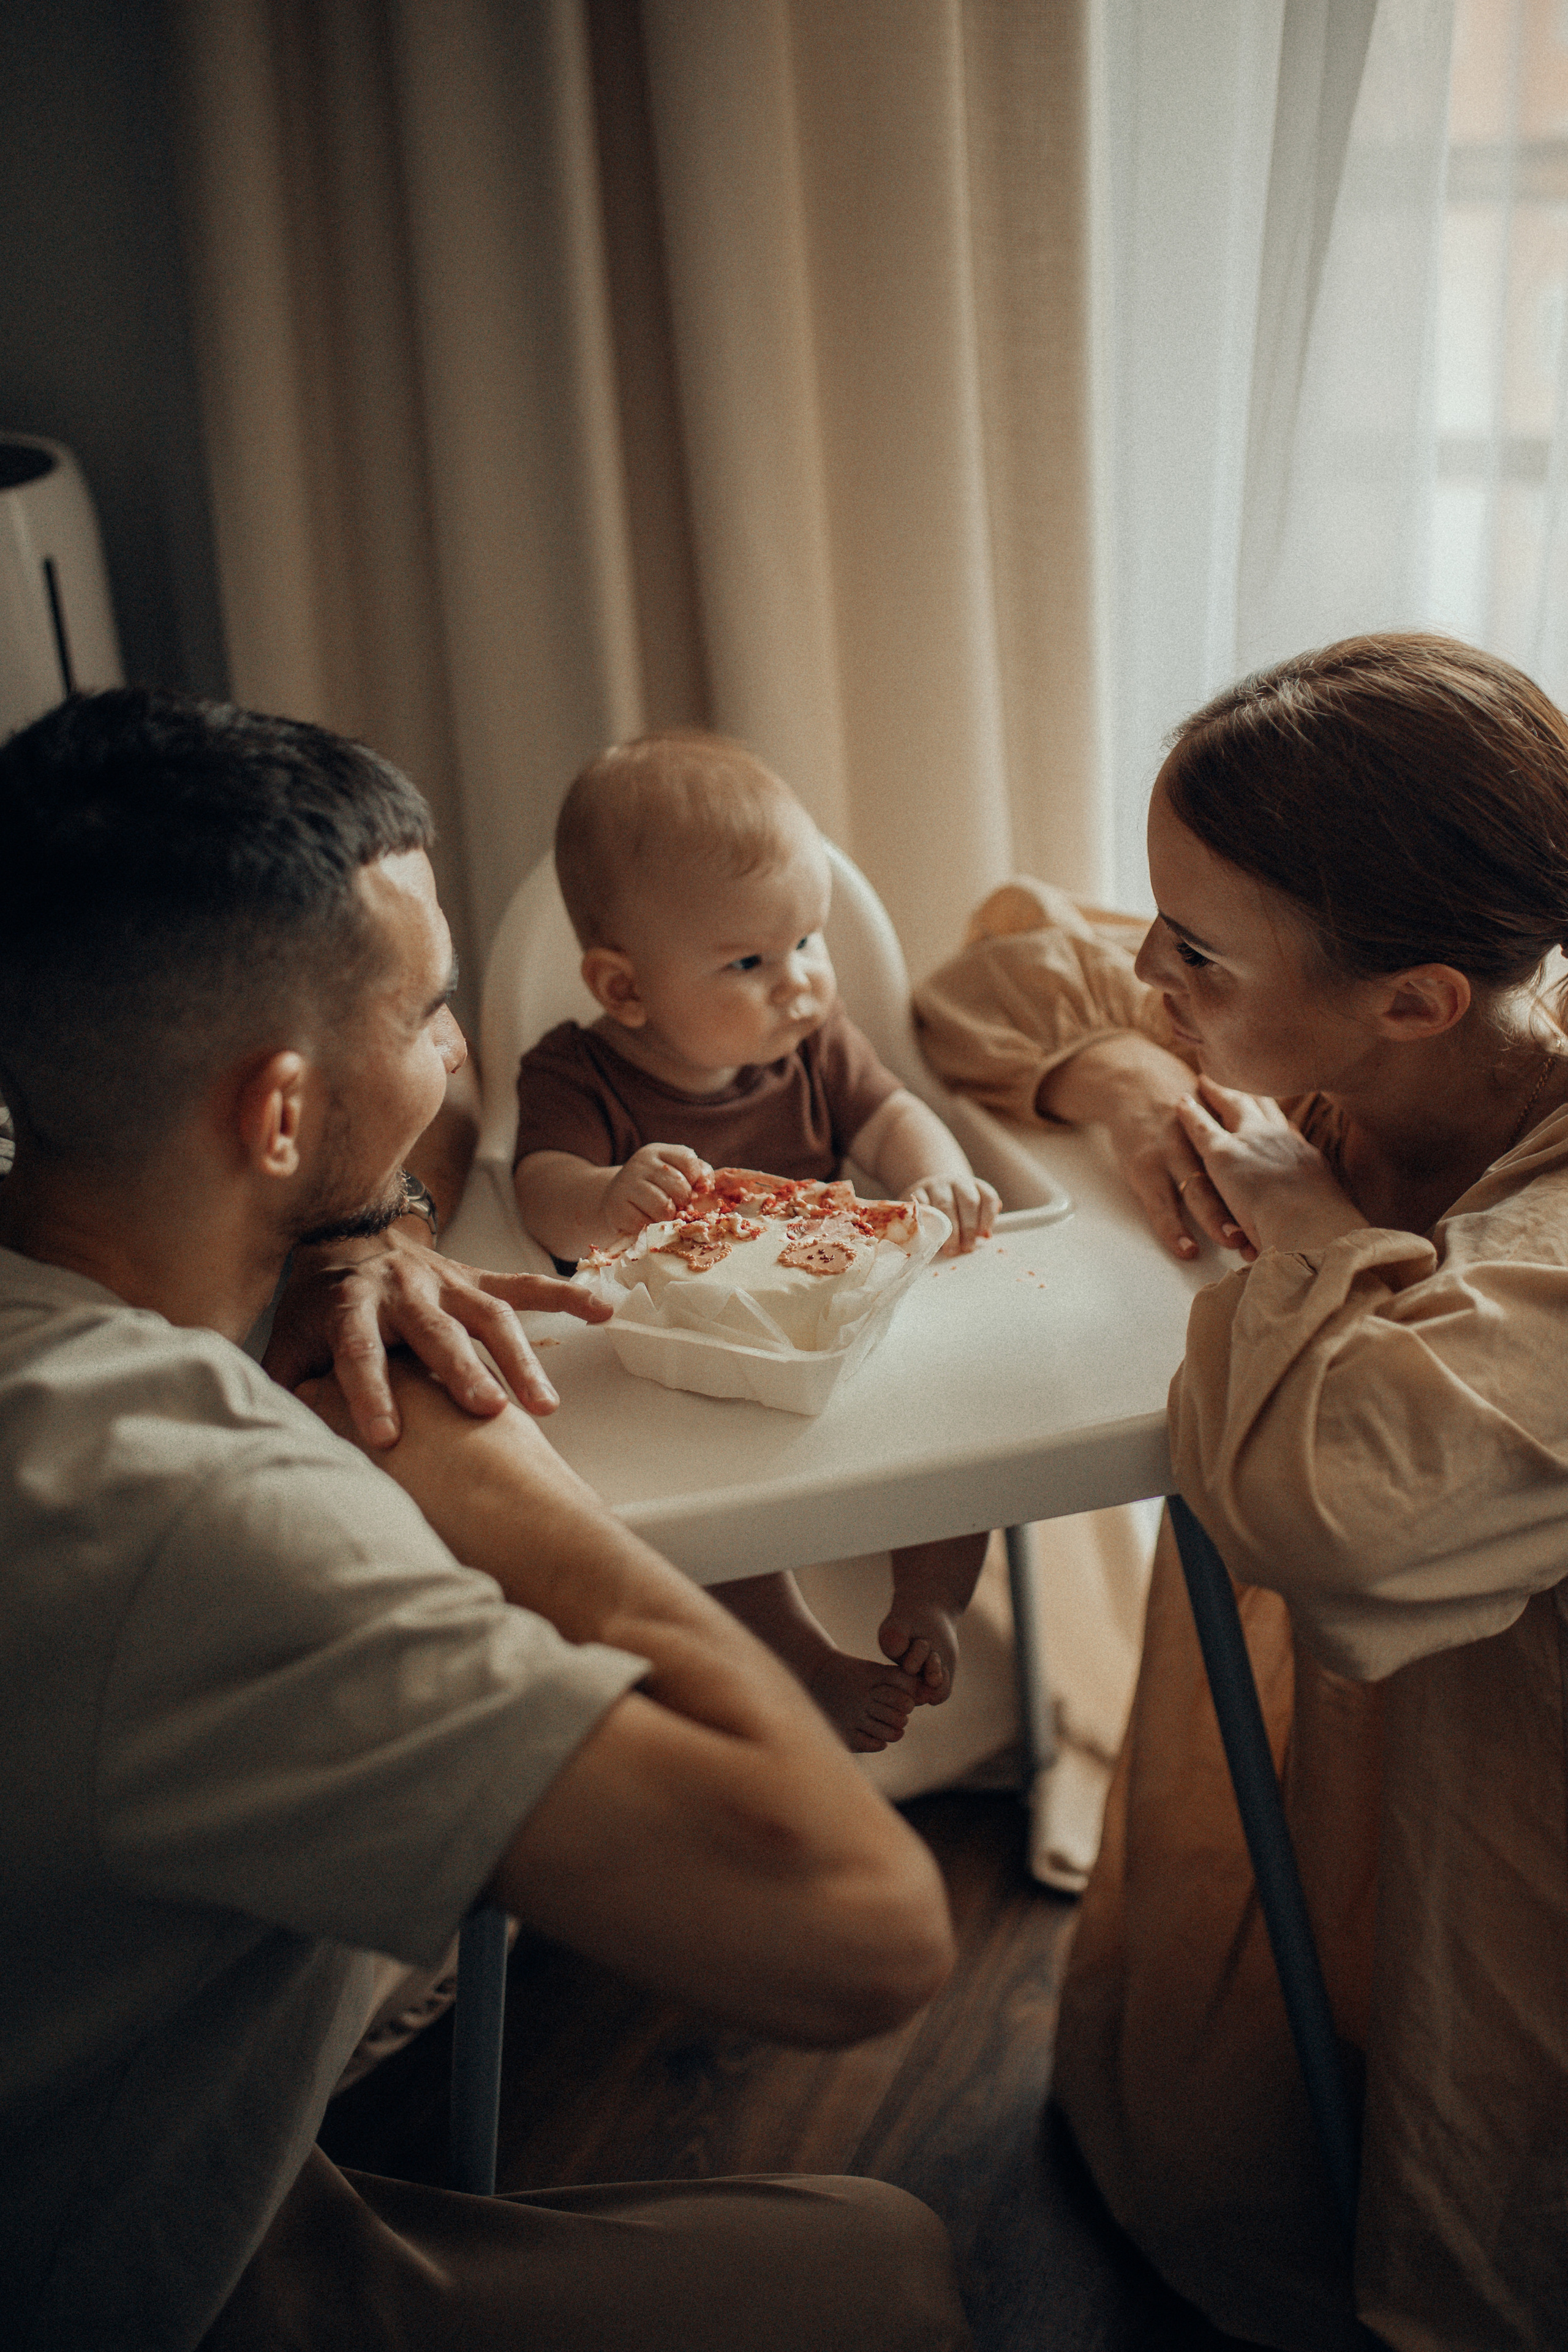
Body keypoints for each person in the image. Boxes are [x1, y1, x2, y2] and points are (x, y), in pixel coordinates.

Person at [0, 688, 974, 2352]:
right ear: (279, 1112)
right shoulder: (202, 1519)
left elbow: (357, 1160)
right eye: (435, 1011)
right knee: (890, 2269)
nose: (459, 1053)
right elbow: (867, 1934)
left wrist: (350, 1228)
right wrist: (491, 1476)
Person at [913, 633, 1568, 2352]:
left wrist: (1316, 1235)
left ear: (1417, 998)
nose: (1148, 964)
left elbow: (1335, 1507)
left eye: (1195, 953)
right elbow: (995, 985)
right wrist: (1135, 1080)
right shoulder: (1335, 1043)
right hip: (1339, 1749)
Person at [512, 729, 1000, 1751]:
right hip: (692, 1349)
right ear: (624, 988)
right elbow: (540, 1198)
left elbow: (894, 1117)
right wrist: (606, 1195)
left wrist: (937, 1177)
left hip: (833, 1315)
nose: (802, 983)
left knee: (962, 1430)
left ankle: (934, 1603)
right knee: (705, 1504)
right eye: (750, 961)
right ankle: (795, 1651)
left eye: (809, 942)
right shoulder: (576, 1076)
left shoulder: (815, 1047)